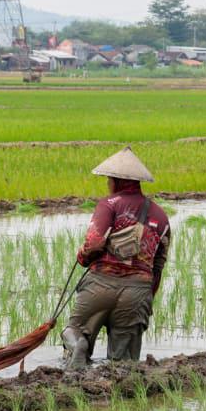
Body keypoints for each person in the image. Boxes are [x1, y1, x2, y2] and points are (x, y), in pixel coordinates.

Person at [64, 147, 172, 369]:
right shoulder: (161, 216)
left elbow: (94, 242)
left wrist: (82, 257)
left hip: (100, 285)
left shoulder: (109, 205)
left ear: (116, 180)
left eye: (108, 180)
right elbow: (158, 266)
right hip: (138, 291)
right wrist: (145, 296)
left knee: (73, 332)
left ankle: (78, 350)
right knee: (124, 368)